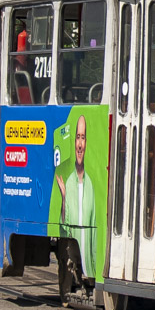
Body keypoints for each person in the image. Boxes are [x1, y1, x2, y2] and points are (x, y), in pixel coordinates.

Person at [55, 114, 96, 275]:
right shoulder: (69, 181)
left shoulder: (91, 184)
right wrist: (64, 198)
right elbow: (64, 226)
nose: (80, 144)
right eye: (77, 138)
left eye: (83, 138)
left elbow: (94, 235)